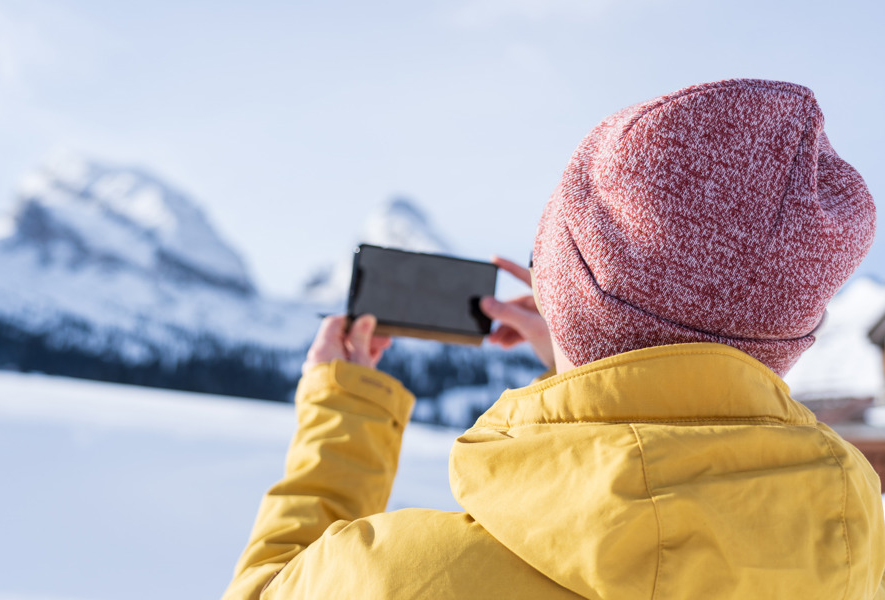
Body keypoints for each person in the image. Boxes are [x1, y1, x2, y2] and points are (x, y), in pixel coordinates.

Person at [222, 79, 885, 599]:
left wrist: (343, 410)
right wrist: (595, 365)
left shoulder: (405, 578)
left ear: (563, 292)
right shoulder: (853, 541)